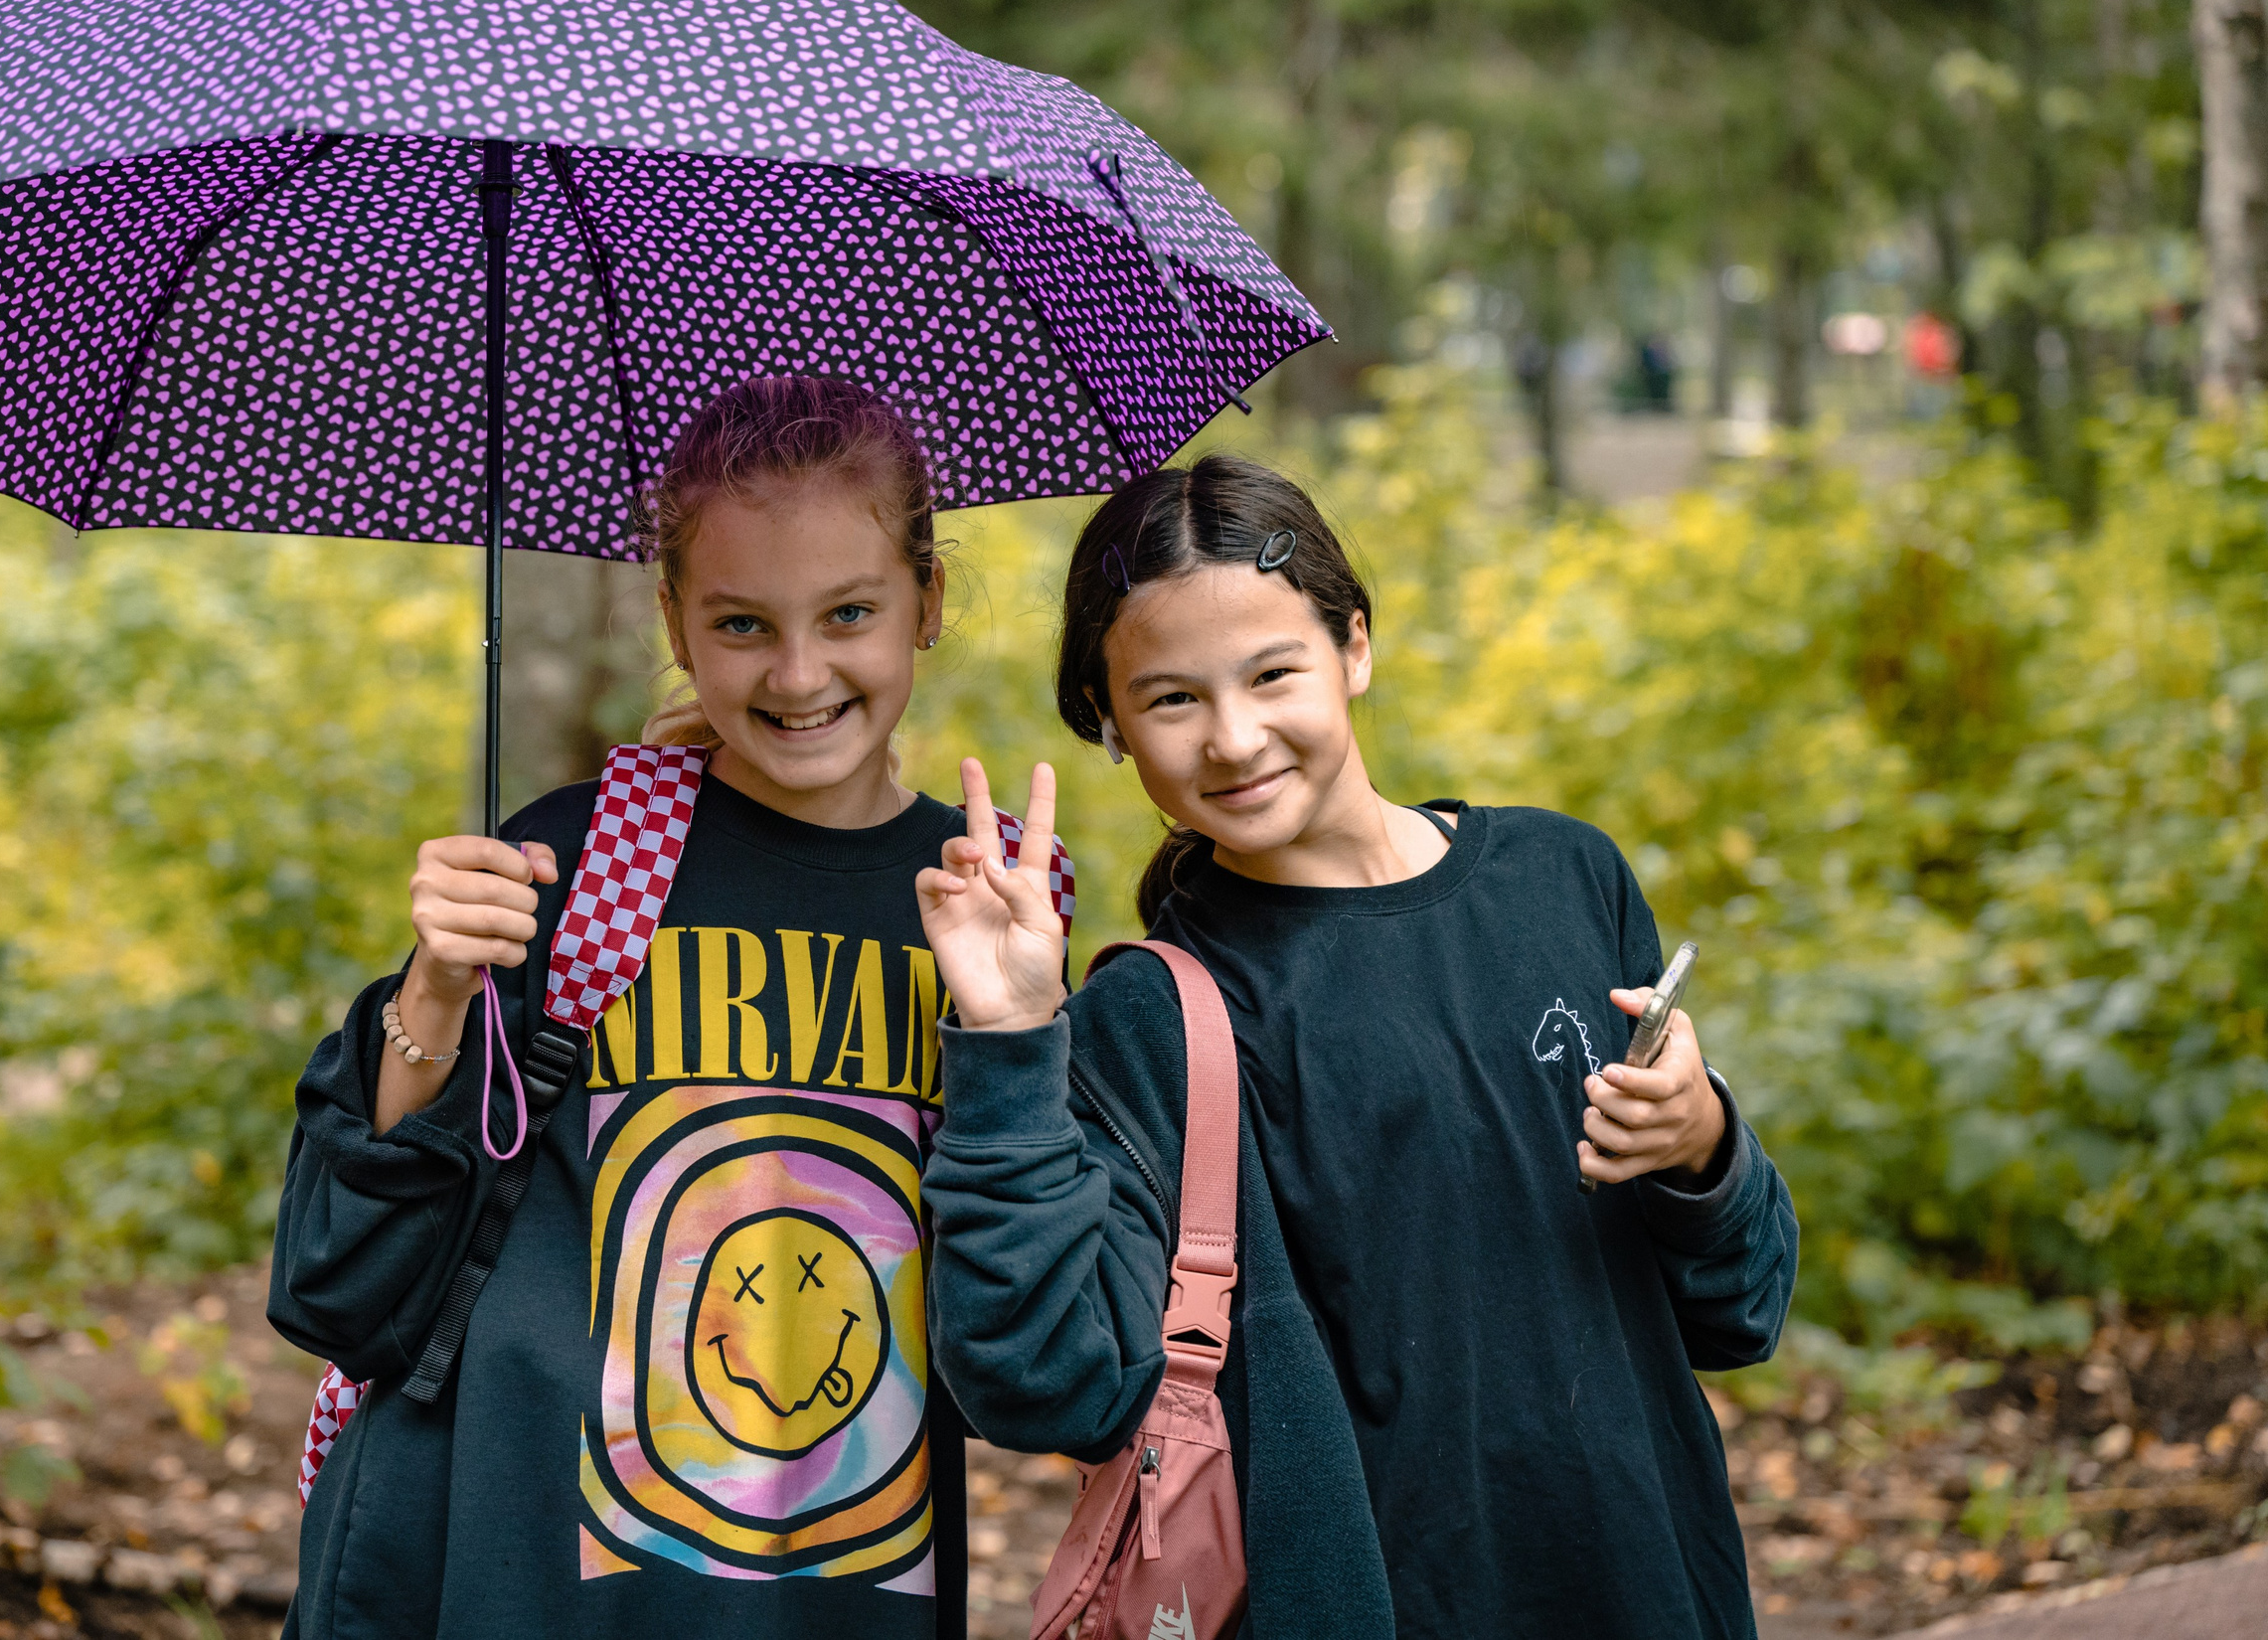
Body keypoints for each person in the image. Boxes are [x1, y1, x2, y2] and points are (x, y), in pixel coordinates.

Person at [913, 455, 1798, 1638]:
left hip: (1646, 1586)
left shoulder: (1562, 880)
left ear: (1355, 649)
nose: (1232, 738)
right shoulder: (1154, 1019)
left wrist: (1703, 1149)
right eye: (1171, 699)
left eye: (1273, 672)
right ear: (1111, 727)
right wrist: (1013, 1040)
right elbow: (1040, 1379)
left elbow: (1740, 1310)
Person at [271, 376, 1032, 1640]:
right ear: (675, 620)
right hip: (517, 1566)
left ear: (928, 603)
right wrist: (436, 989)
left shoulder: (992, 904)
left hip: (838, 1581)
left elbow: (1018, 1322)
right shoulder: (575, 863)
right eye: (741, 625)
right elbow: (340, 1283)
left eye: (849, 613)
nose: (798, 675)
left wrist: (1018, 1034)